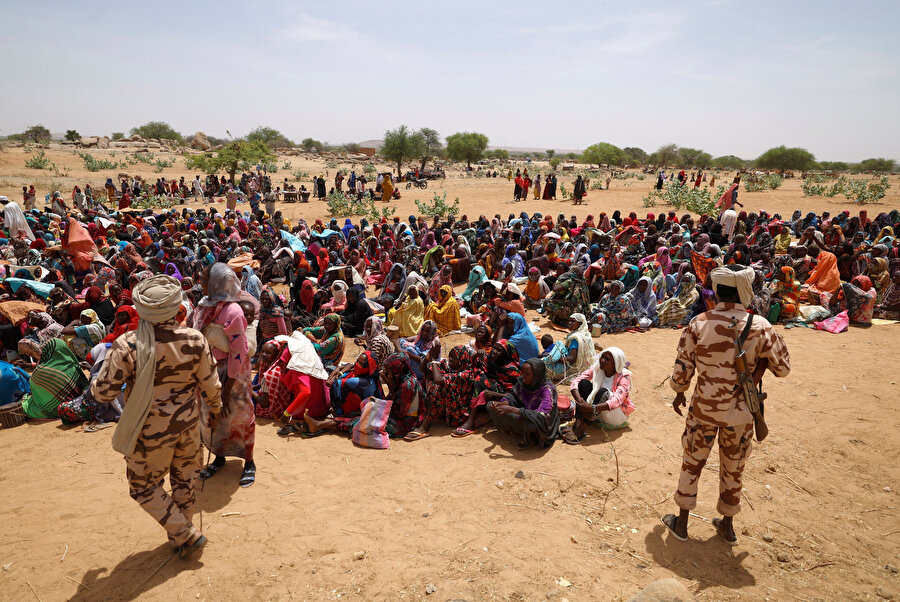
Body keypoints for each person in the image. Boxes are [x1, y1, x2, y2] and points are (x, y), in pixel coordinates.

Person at [91, 275, 222, 557]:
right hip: (188, 426)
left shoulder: (128, 345)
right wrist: (216, 409)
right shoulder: (194, 339)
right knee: (185, 482)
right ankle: (181, 537)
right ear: (175, 308)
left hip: (149, 432)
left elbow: (102, 393)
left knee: (142, 486)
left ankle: (184, 533)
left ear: (143, 310)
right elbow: (211, 384)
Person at [662, 265, 791, 546]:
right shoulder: (761, 326)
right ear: (745, 290)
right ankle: (728, 526)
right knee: (733, 467)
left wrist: (679, 392)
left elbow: (682, 372)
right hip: (741, 412)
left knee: (692, 461)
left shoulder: (698, 322)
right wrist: (759, 368)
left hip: (704, 408)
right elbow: (783, 368)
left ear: (717, 291)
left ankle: (681, 523)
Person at [191, 264, 257, 488]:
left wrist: (227, 387)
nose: (200, 281)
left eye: (204, 277)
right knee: (210, 414)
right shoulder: (203, 306)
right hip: (207, 370)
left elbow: (238, 353)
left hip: (233, 374)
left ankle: (248, 461)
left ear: (217, 282)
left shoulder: (233, 312)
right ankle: (218, 457)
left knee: (237, 416)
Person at [562, 347, 633, 444]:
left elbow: (616, 401)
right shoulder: (598, 368)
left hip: (614, 414)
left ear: (615, 363)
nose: (602, 360)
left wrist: (591, 408)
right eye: (602, 356)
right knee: (584, 383)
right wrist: (581, 403)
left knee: (604, 393)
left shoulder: (624, 376)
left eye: (607, 359)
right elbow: (576, 381)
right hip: (597, 410)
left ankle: (581, 429)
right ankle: (578, 423)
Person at [486, 358, 560, 449]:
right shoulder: (523, 382)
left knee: (530, 425)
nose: (523, 376)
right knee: (490, 406)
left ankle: (531, 438)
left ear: (536, 375)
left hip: (540, 423)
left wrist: (512, 409)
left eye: (527, 374)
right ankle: (517, 430)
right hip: (523, 413)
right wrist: (503, 403)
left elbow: (542, 416)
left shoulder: (547, 389)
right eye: (522, 372)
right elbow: (513, 395)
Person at [19, 338, 89, 420]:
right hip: (79, 402)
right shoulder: (73, 365)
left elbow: (34, 391)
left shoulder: (40, 372)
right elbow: (85, 385)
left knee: (28, 402)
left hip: (55, 410)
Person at [542, 313, 595, 379]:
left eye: (573, 321)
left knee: (543, 366)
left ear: (580, 324)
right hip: (584, 365)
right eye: (569, 321)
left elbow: (572, 358)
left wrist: (556, 359)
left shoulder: (575, 339)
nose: (569, 323)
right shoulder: (585, 334)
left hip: (572, 368)